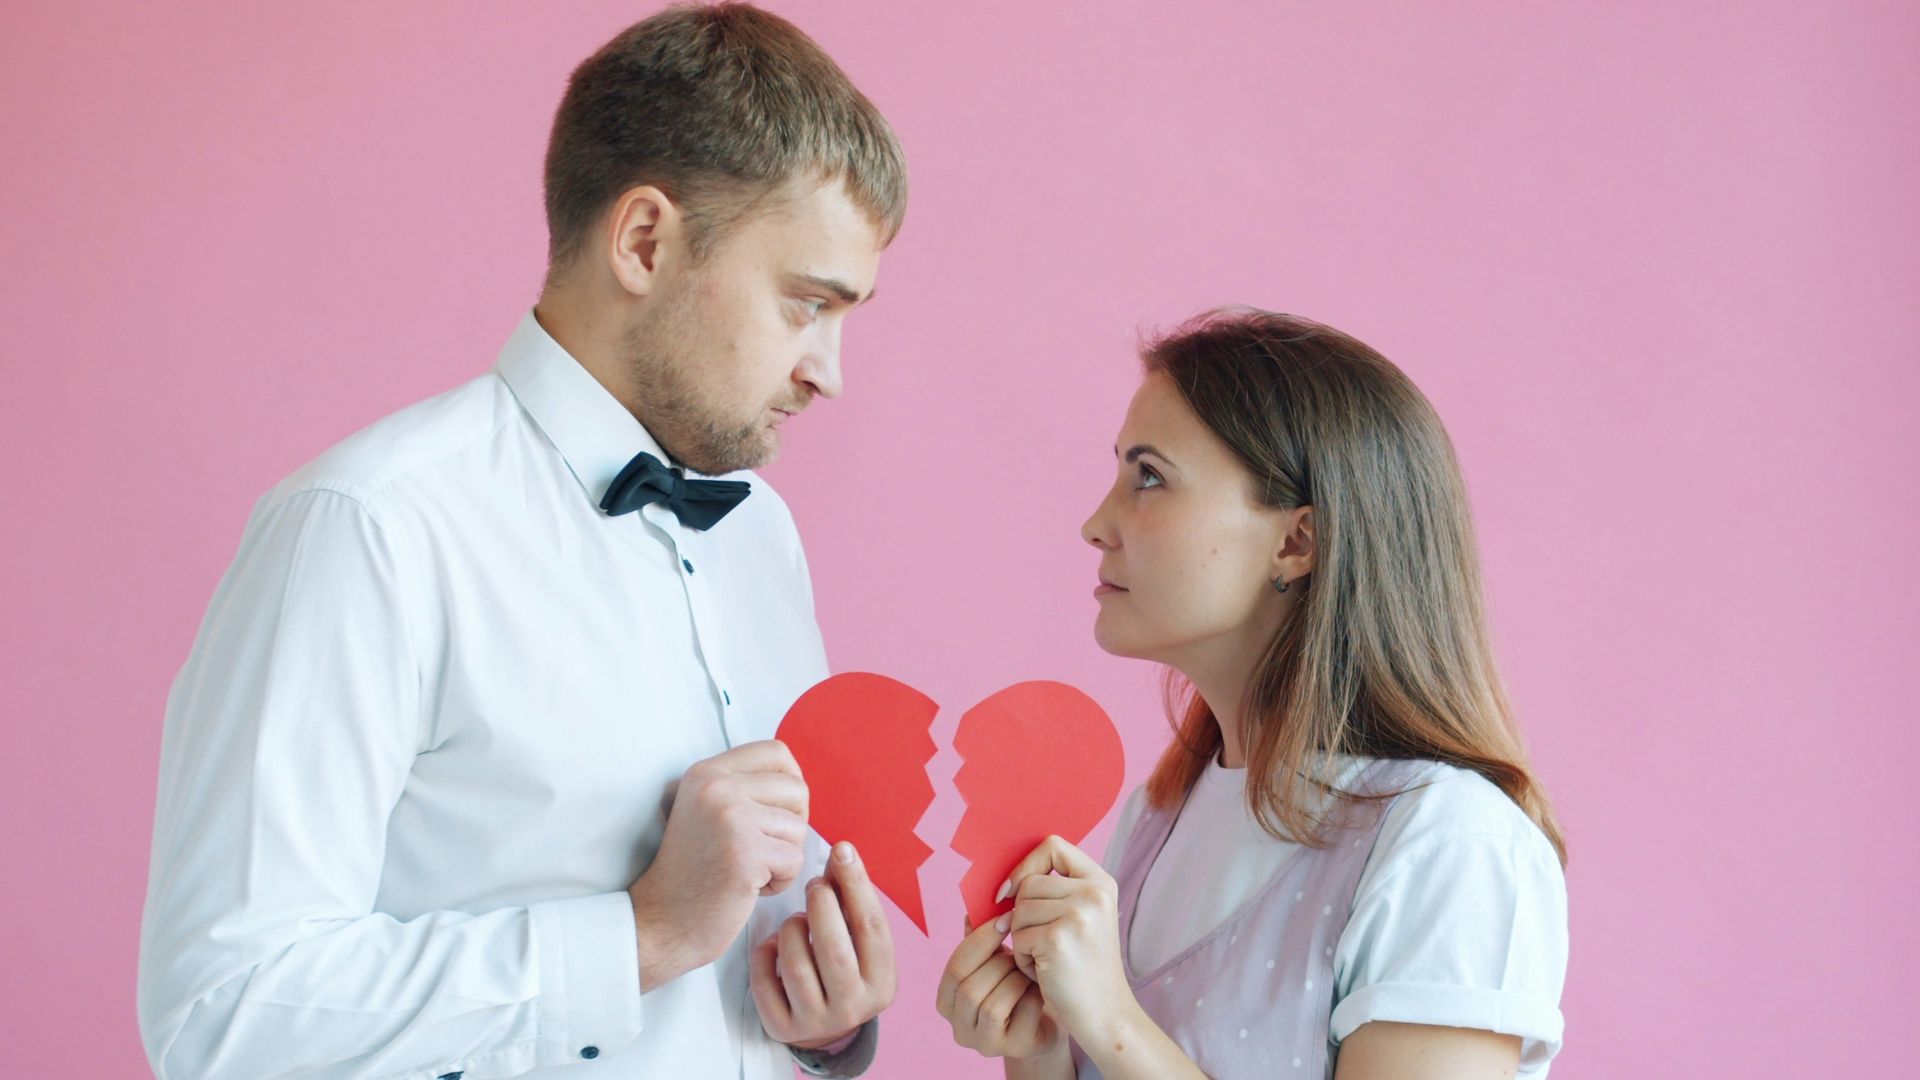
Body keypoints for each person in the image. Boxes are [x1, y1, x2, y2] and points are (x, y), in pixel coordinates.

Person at [136, 5, 907, 1077]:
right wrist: (639, 937)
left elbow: (727, 994)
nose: (829, 371)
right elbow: (224, 1018)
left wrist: (823, 1025)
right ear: (644, 242)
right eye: (805, 304)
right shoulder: (372, 531)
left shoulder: (759, 536)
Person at [936, 309, 1569, 1079]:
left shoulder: (1453, 848)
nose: (1097, 524)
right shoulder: (1154, 821)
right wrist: (1040, 1049)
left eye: (1150, 477)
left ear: (1296, 542)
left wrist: (1109, 1021)